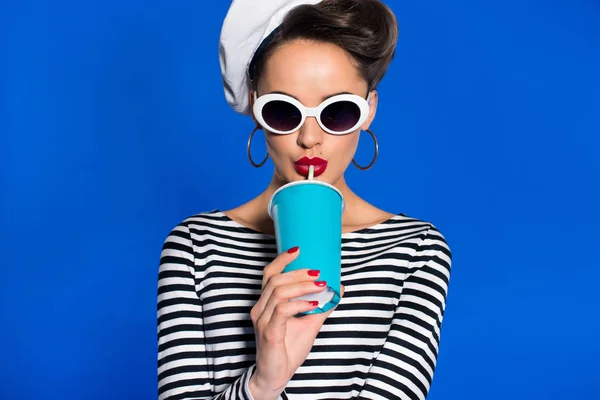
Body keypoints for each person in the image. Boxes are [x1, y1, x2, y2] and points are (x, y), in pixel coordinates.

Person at [157, 0, 452, 399]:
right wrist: (265, 382)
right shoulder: (196, 247)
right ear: (257, 109)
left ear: (369, 111)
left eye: (337, 112)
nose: (309, 138)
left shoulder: (417, 251)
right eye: (283, 111)